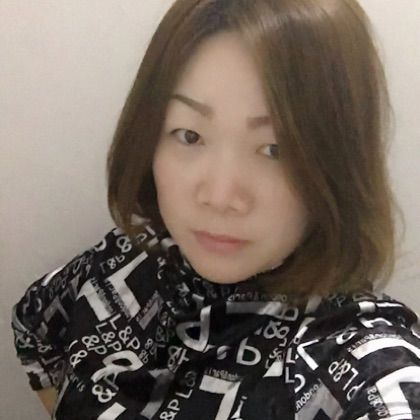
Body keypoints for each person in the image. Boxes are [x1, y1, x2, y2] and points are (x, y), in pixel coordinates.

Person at [10, 0, 420, 419]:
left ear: (340, 162)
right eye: (189, 135)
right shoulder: (131, 260)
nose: (220, 196)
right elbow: (35, 327)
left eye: (275, 149)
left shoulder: (360, 368)